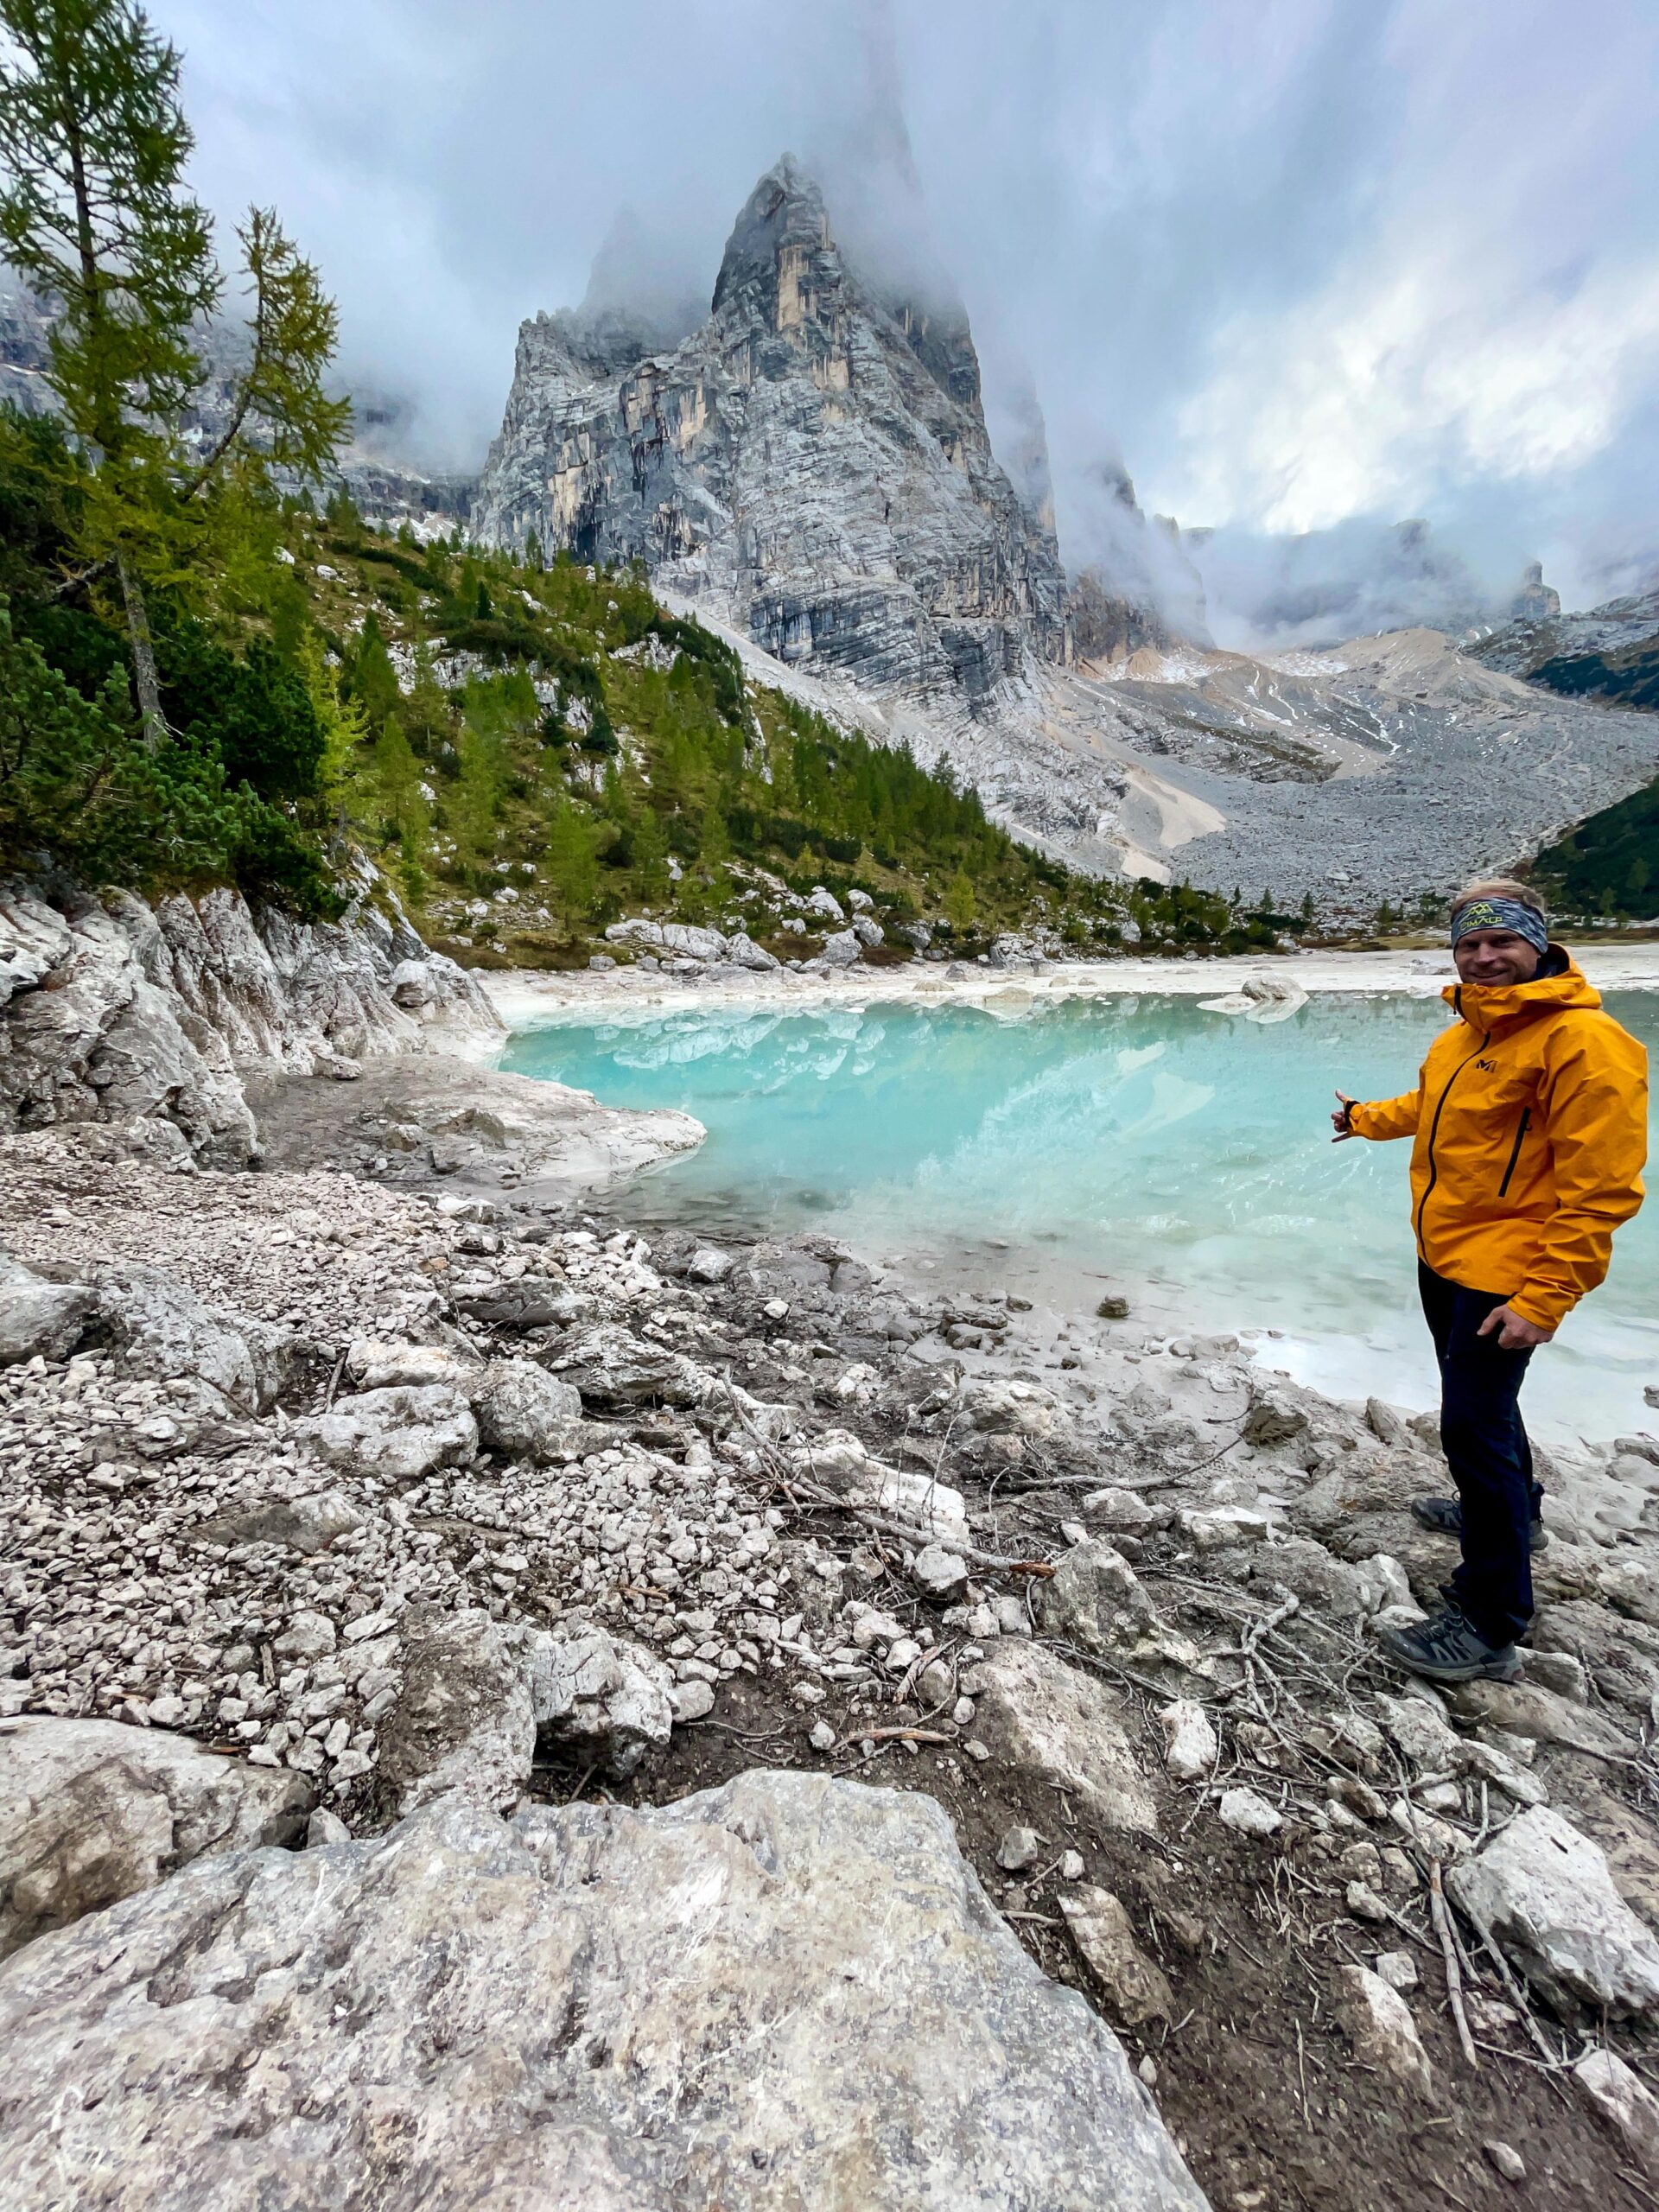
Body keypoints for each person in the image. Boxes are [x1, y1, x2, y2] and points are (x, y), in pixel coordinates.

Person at [1332, 880, 1648, 1683]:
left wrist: (1545, 1299)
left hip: (1507, 1274)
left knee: (1470, 1431)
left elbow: (1602, 1189)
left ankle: (1490, 1620)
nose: (1484, 956)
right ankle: (1521, 1516)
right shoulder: (1464, 1038)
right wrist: (1366, 1118)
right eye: (1469, 944)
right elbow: (1434, 1110)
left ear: (1539, 943)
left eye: (1501, 941)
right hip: (1448, 1257)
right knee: (1488, 1411)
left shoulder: (1585, 1043)